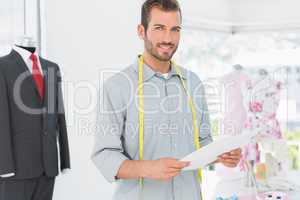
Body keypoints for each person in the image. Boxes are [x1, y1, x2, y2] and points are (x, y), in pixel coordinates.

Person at [92, 0, 242, 199]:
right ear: (141, 31)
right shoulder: (117, 87)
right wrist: (149, 168)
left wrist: (221, 155)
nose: (168, 38)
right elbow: (104, 155)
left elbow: (202, 142)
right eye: (159, 28)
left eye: (175, 29)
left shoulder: (193, 83)